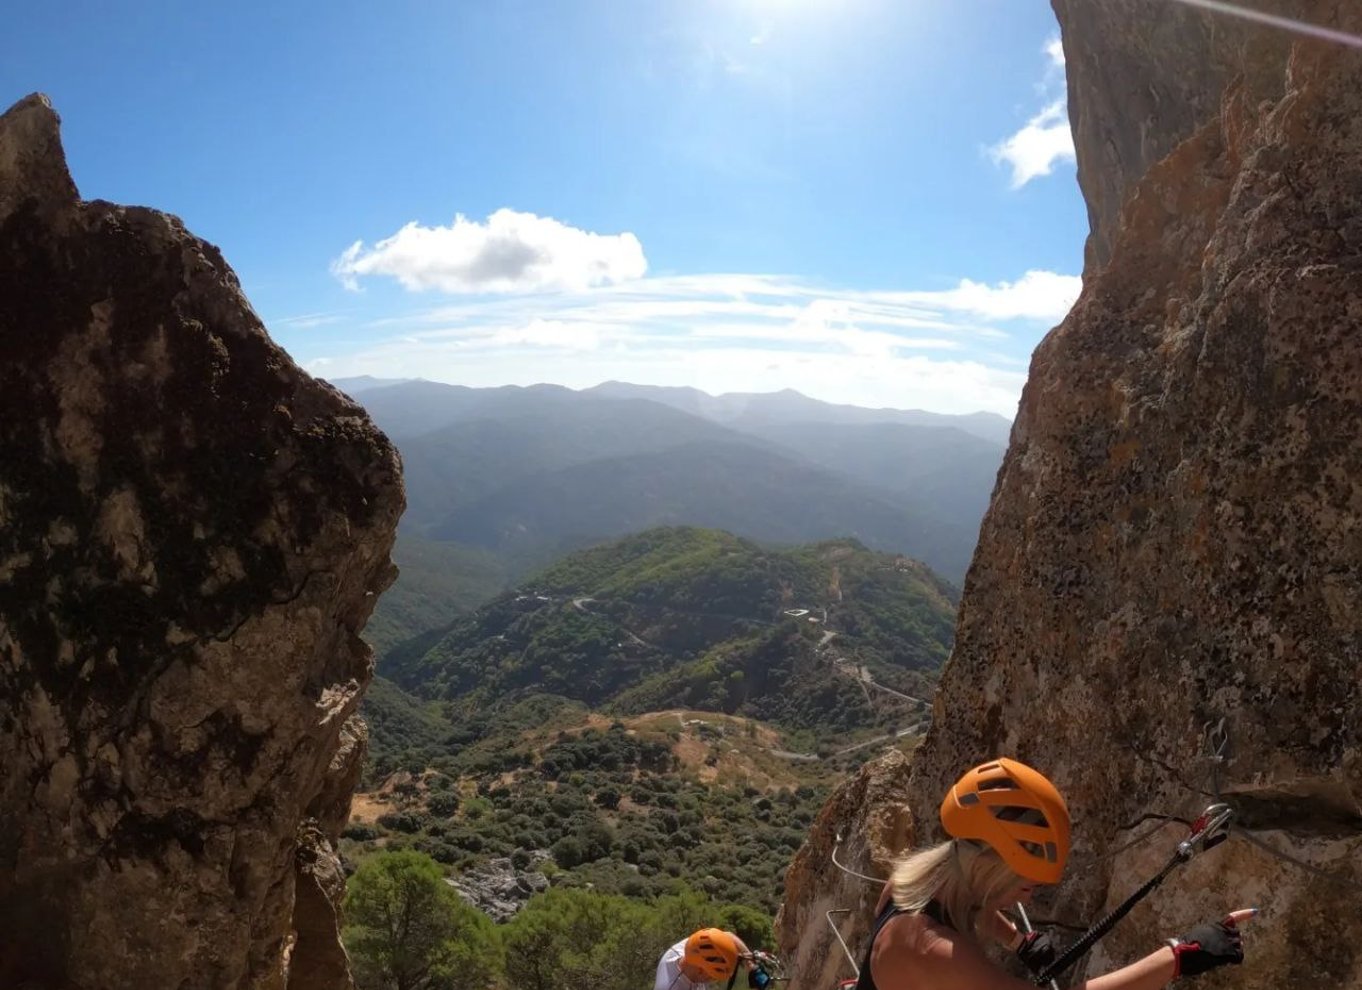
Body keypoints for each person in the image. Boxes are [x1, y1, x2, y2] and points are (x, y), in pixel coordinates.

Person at [858, 758, 1251, 990]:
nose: (1028, 897)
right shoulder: (933, 950)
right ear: (992, 870)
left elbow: (971, 902)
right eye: (1023, 884)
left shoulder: (914, 885)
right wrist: (1177, 956)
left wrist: (1019, 941)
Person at [655, 927, 754, 990]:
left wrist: (751, 966)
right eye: (712, 976)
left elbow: (727, 936)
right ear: (700, 970)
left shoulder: (693, 946)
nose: (713, 981)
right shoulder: (672, 986)